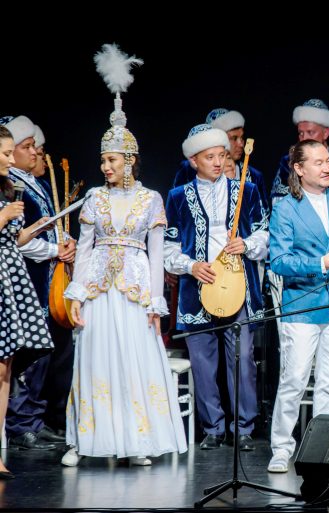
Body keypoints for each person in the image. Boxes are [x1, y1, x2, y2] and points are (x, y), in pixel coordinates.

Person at [61, 44, 187, 466]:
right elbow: (84, 250)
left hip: (134, 291)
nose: (105, 167)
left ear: (129, 160)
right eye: (103, 160)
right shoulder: (94, 198)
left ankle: (137, 442)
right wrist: (76, 294)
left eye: (112, 159)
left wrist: (156, 303)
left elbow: (157, 255)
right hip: (99, 290)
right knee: (95, 359)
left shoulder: (150, 199)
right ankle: (84, 441)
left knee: (133, 361)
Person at [164, 124, 268, 451]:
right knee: (203, 362)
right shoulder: (178, 197)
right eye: (210, 157)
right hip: (197, 288)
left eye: (222, 155)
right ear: (193, 160)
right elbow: (169, 247)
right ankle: (213, 427)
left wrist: (247, 244)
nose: (218, 162)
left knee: (243, 358)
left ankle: (244, 427)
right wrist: (191, 266)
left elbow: (265, 234)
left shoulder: (246, 190)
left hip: (237, 285)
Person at [267, 139, 329, 473]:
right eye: (318, 162)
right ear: (299, 168)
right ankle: (281, 448)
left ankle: (323, 447)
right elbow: (279, 260)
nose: (326, 167)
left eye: (328, 161)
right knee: (294, 379)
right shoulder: (287, 207)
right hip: (303, 305)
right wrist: (319, 264)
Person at [1, 115, 73, 450]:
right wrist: (53, 249)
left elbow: (31, 233)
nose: (34, 153)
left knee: (44, 354)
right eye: (25, 147)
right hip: (22, 276)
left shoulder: (33, 184)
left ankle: (35, 418)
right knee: (24, 356)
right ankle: (20, 423)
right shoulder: (9, 186)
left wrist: (62, 242)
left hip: (43, 279)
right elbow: (15, 240)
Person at [0, 125, 56, 478]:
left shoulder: (7, 187)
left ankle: (1, 446)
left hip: (11, 276)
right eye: (6, 153)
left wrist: (35, 229)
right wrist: (3, 216)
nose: (11, 160)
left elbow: (13, 238)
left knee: (6, 365)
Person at [171, 108, 269, 210]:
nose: (241, 144)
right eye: (234, 138)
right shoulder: (188, 170)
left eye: (242, 138)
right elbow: (177, 207)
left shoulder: (254, 176)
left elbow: (262, 214)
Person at [270, 99, 329, 207]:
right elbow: (278, 202)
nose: (304, 138)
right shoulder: (288, 162)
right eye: (301, 133)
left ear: (325, 133)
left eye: (310, 132)